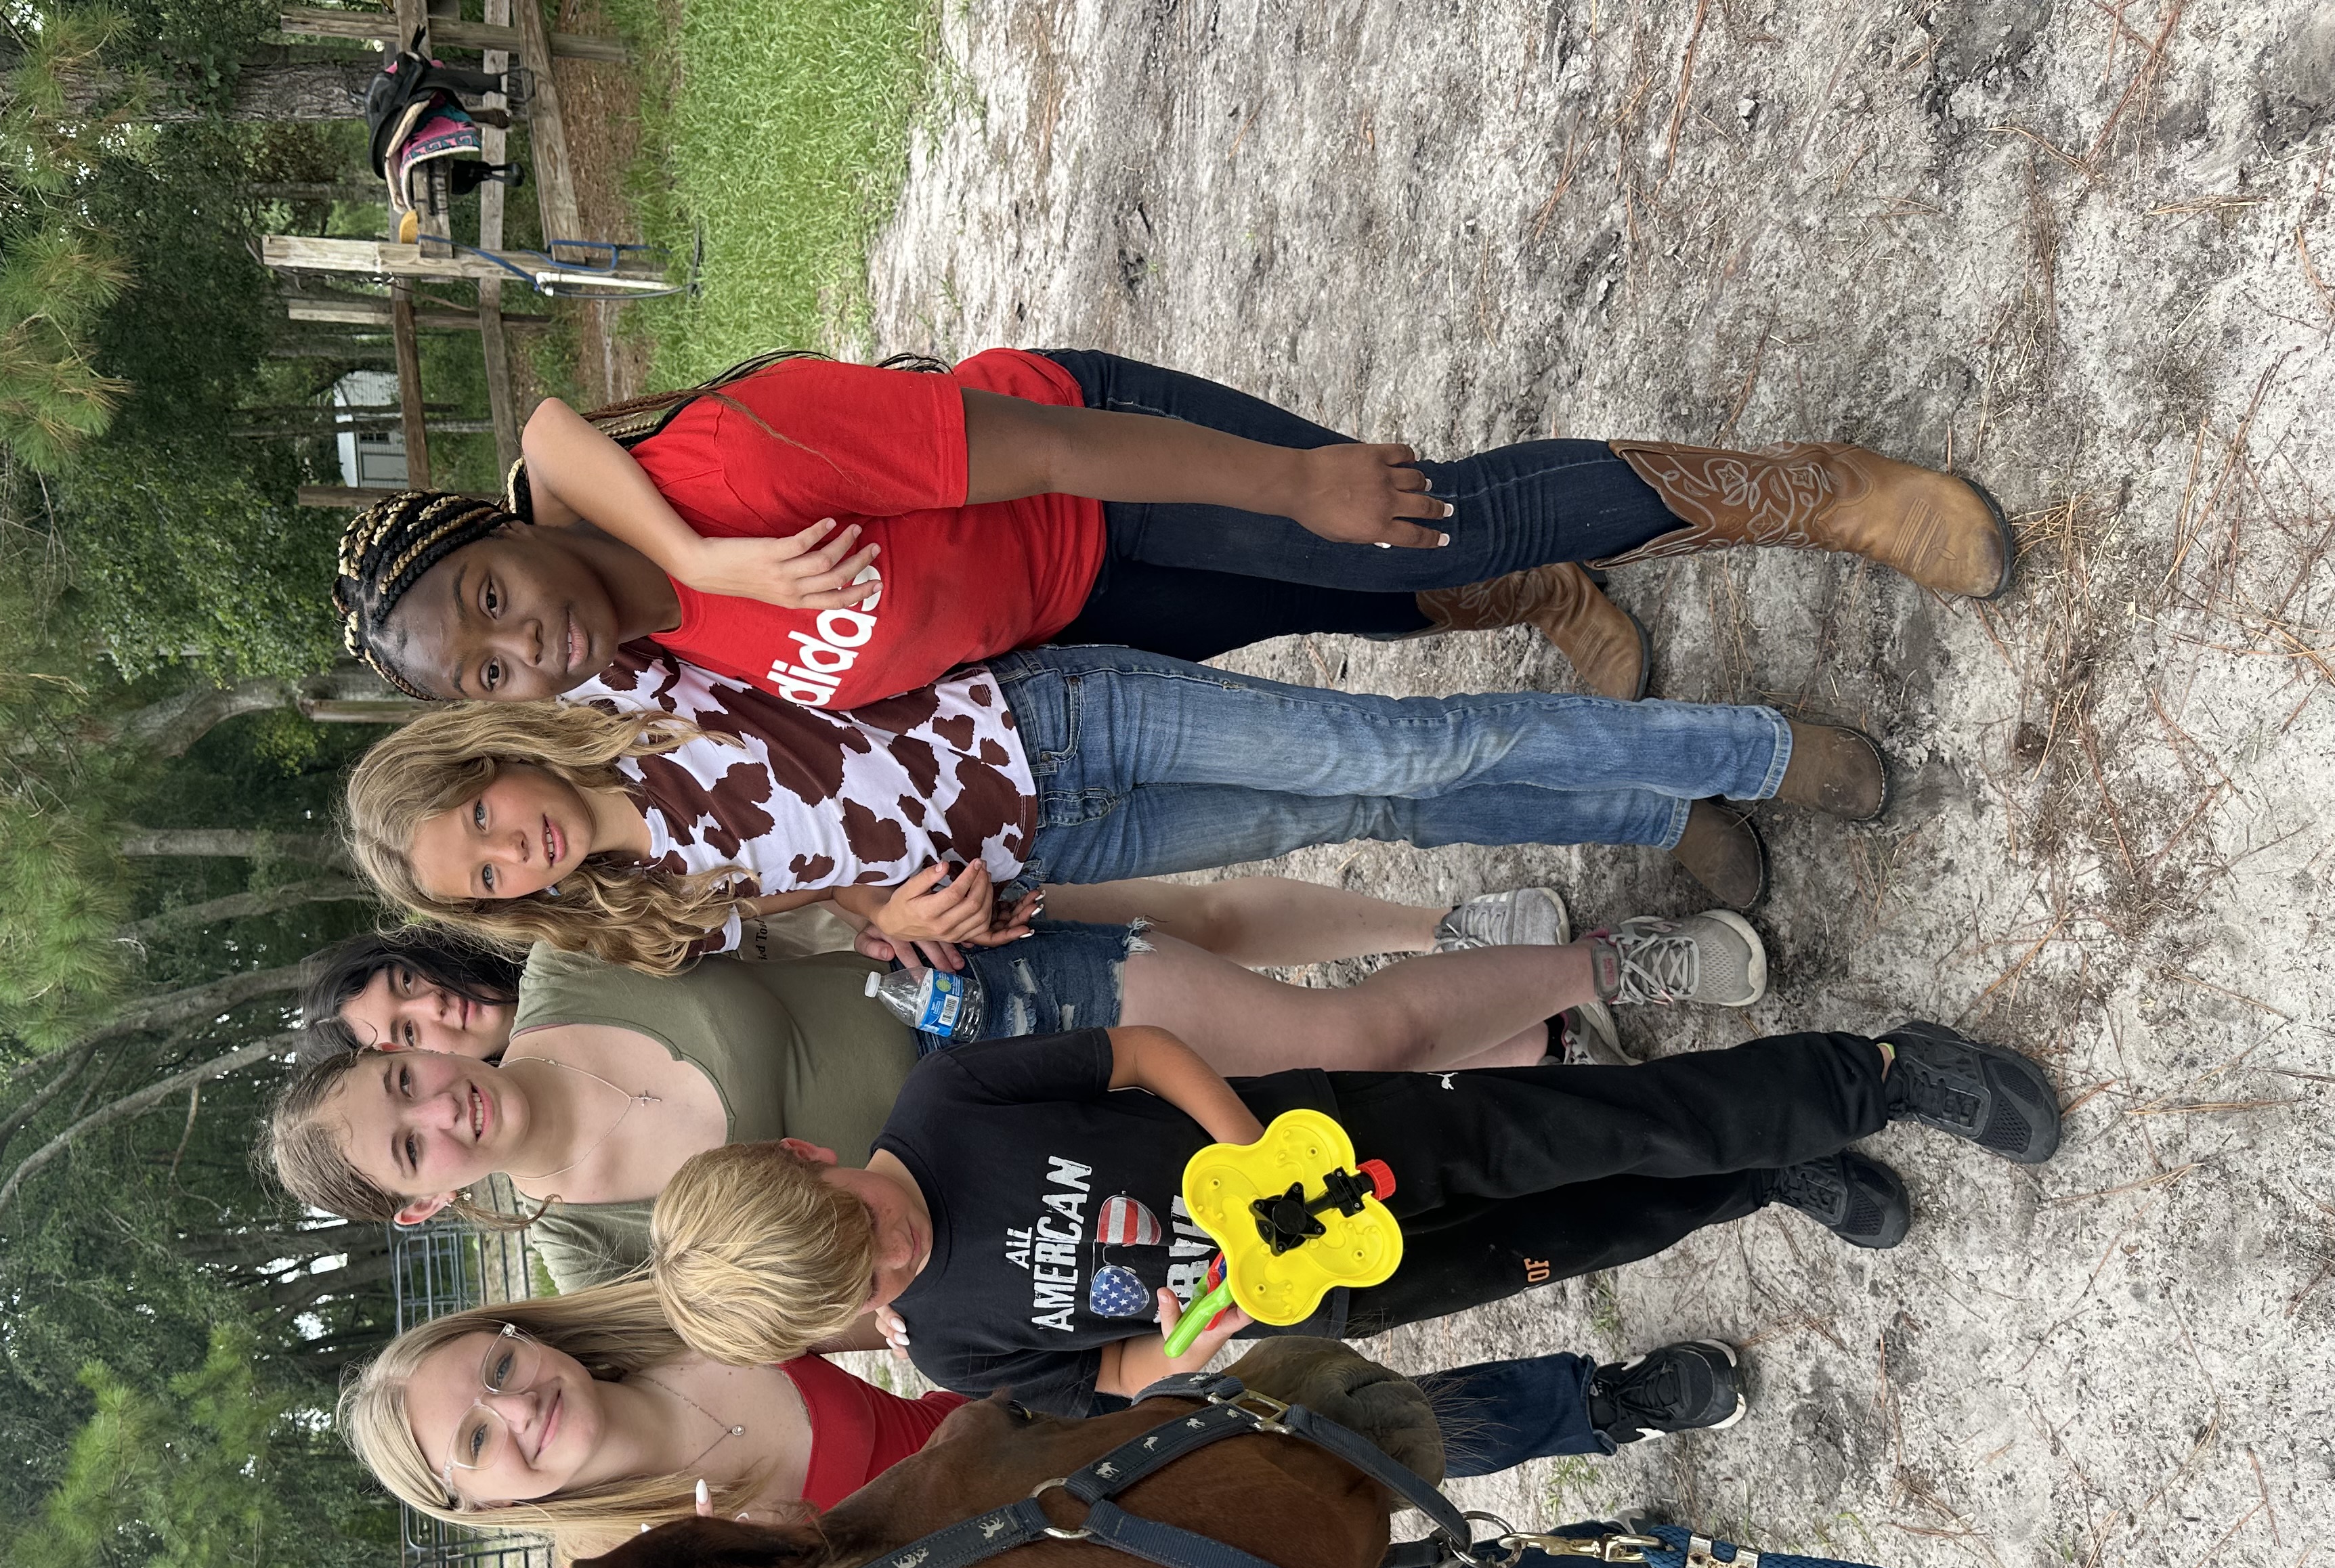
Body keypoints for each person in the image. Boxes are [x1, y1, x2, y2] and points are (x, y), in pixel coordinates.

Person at [341, 1295, 1776, 1568]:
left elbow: (877, 1289)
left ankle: (1605, 1402)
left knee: (1342, 1436)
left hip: (1049, 1457)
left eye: (497, 1371)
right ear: (477, 1500)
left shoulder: (672, 1319)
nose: (517, 1409)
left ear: (519, 1334)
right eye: (481, 1440)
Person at [328, 349, 2013, 708]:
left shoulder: (729, 470)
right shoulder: (652, 660)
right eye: (479, 670)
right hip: (1073, 624)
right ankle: (1560, 596)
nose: (516, 643)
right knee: (1360, 616)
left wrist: (1289, 479)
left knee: (1404, 526)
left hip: (1099, 480)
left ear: (508, 527)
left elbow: (1042, 436)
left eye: (485, 592)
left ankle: (1819, 488)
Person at [272, 891, 1768, 1293]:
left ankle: (1598, 965)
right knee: (1345, 1123)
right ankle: (1537, 1038)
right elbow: (797, 1298)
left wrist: (889, 902)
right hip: (1021, 1200)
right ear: (421, 1200)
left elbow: (760, 891)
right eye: (408, 1139)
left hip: (1000, 1014)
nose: (438, 1104)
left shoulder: (563, 969)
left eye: (405, 1074)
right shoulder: (586, 1249)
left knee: (1347, 1041)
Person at [644, 1019, 2064, 1414]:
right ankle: (1769, 1175)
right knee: (1593, 1229)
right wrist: (1186, 1349)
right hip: (1338, 1292)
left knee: (1599, 1127)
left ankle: (1871, 1078)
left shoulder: (949, 1103)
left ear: (805, 1148)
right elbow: (1108, 1375)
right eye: (862, 1285)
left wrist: (1246, 1150)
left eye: (860, 1223)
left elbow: (1140, 1055)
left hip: (1349, 1142)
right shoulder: (950, 1350)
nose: (892, 1255)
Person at [340, 651, 1886, 955]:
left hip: (1053, 720)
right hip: (1057, 846)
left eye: (478, 820)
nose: (508, 852)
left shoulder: (628, 695)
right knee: (1376, 825)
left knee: (1398, 752)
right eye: (483, 883)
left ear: (487, 761)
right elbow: (830, 905)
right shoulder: (652, 910)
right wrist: (898, 920)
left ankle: (1747, 749)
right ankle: (1648, 817)